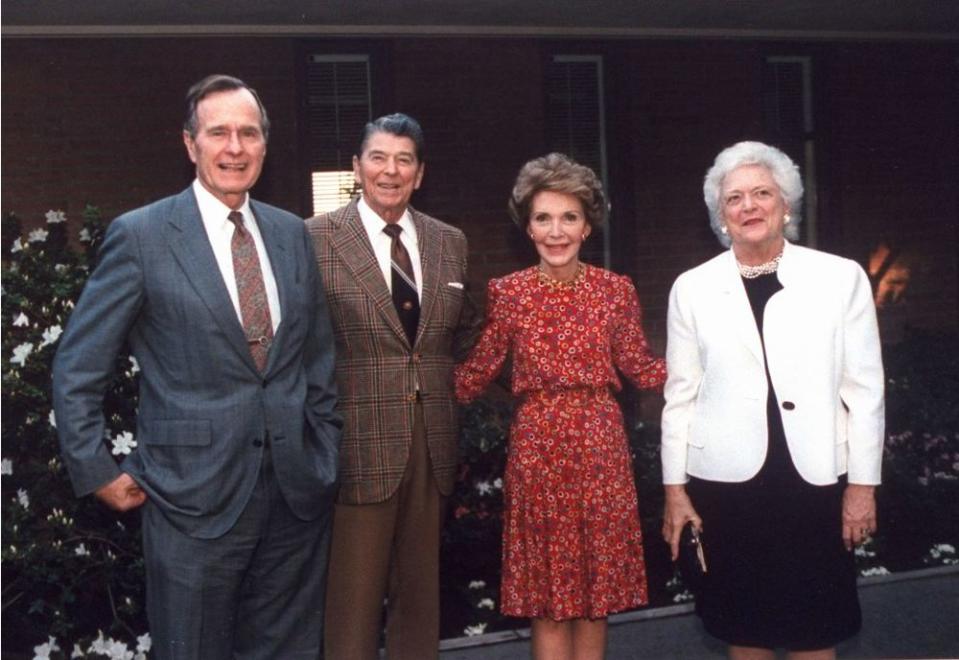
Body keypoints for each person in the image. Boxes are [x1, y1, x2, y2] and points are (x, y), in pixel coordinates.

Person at [52, 74, 342, 660]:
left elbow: (317, 360)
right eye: (219, 133)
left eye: (248, 133)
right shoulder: (142, 236)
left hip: (295, 496)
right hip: (191, 500)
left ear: (264, 145)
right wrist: (95, 468)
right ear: (190, 144)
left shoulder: (290, 234)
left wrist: (323, 448)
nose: (234, 147)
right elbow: (79, 364)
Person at [661, 141, 885, 660]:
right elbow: (680, 397)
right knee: (746, 630)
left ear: (787, 203)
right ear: (721, 214)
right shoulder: (691, 288)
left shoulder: (840, 277)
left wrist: (863, 488)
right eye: (735, 197)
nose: (749, 206)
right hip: (729, 488)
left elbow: (866, 391)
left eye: (762, 193)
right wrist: (675, 491)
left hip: (814, 482)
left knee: (815, 630)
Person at [454, 153, 667, 660]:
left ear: (588, 225)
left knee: (595, 599)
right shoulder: (508, 293)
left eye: (569, 217)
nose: (556, 231)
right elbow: (474, 375)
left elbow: (643, 368)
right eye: (543, 218)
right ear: (527, 227)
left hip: (600, 450)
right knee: (547, 600)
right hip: (539, 450)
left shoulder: (615, 291)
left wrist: (710, 366)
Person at [305, 113, 479, 660]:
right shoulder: (313, 239)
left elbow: (467, 331)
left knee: (420, 603)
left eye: (404, 160)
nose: (391, 170)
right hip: (354, 445)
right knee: (352, 608)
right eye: (378, 157)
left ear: (420, 174)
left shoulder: (448, 242)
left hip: (431, 446)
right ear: (357, 167)